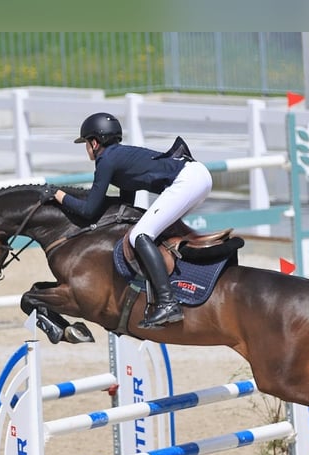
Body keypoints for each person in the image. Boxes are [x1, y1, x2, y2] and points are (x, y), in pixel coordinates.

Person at [52, 112, 213, 329]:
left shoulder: (106, 160)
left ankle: (167, 302)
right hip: (198, 177)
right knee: (153, 231)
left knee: (140, 234)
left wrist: (58, 195)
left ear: (95, 142)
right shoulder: (121, 157)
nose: (87, 148)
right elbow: (124, 203)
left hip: (188, 180)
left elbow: (88, 210)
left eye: (86, 143)